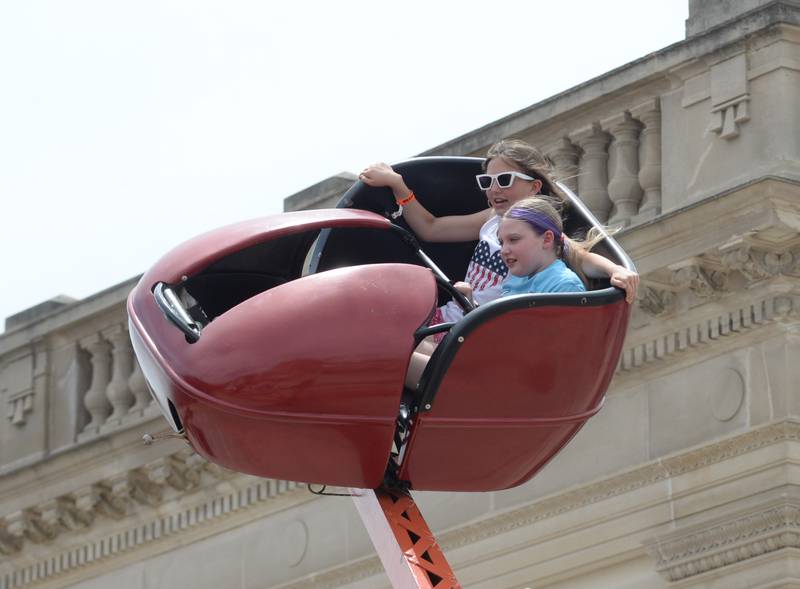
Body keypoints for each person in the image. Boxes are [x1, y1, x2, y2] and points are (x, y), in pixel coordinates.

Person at [359, 139, 639, 325]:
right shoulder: (492, 219)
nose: (494, 189)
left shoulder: (537, 234)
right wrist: (399, 186)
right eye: (487, 181)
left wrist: (616, 270)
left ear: (534, 187)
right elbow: (430, 228)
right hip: (449, 317)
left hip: (476, 329)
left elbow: (580, 256)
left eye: (504, 180)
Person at [403, 197, 588, 388]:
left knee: (392, 360)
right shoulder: (518, 278)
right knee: (402, 343)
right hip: (482, 366)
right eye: (501, 242)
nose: (504, 250)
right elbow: (499, 334)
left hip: (499, 384)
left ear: (547, 239)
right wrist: (470, 307)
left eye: (513, 240)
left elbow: (550, 357)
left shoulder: (564, 286)